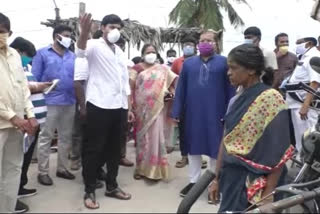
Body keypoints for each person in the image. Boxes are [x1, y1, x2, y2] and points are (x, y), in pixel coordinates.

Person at [208, 44, 294, 212]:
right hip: (231, 178)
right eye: (228, 68)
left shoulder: (271, 99)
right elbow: (226, 141)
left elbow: (279, 152)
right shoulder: (235, 100)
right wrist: (216, 179)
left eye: (234, 68)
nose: (228, 73)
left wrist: (268, 194)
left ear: (251, 70)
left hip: (258, 184)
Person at [77, 13, 134, 209]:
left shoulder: (119, 51)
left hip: (119, 107)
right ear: (102, 28)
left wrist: (128, 107)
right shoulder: (93, 45)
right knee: (94, 149)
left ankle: (112, 185)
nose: (115, 31)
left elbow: (124, 82)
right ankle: (89, 190)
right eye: (111, 27)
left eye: (118, 27)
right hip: (99, 105)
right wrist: (84, 32)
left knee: (114, 149)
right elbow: (80, 51)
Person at [171, 30, 235, 198]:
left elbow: (231, 89)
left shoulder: (224, 63)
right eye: (202, 40)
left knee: (216, 147)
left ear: (216, 43)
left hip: (217, 112)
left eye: (209, 40)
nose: (205, 43)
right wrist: (176, 110)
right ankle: (194, 182)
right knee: (193, 148)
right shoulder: (189, 64)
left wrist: (231, 112)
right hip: (193, 113)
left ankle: (213, 182)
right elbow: (181, 89)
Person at [0, 13, 38, 213]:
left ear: (10, 33)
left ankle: (7, 208)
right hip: (5, 123)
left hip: (17, 125)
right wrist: (12, 117)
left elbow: (23, 88)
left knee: (13, 170)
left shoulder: (15, 55)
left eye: (2, 32)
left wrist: (30, 115)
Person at [32, 24, 76, 185]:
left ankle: (62, 168)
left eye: (70, 36)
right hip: (49, 101)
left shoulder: (73, 56)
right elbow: (34, 79)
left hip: (70, 101)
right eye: (66, 35)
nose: (69, 39)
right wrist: (45, 85)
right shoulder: (42, 53)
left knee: (65, 137)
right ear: (56, 36)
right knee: (46, 137)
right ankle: (43, 172)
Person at [10, 37, 51, 200]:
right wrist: (37, 87)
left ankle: (20, 186)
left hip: (34, 121)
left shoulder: (26, 67)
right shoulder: (10, 67)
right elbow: (18, 90)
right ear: (18, 52)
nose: (29, 59)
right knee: (16, 160)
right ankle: (12, 193)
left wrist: (43, 87)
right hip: (23, 120)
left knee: (25, 158)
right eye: (27, 55)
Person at [130, 44, 177, 181]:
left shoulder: (163, 69)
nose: (151, 54)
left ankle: (156, 169)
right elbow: (131, 88)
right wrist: (131, 106)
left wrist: (171, 95)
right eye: (148, 52)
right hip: (141, 110)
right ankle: (140, 168)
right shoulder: (136, 68)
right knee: (142, 139)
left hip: (157, 108)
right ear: (143, 54)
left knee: (157, 136)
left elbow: (172, 85)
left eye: (153, 52)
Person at [285, 37, 320, 153]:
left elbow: (315, 83)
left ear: (309, 44)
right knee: (300, 142)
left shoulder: (313, 58)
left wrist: (305, 105)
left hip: (305, 107)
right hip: (296, 104)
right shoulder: (305, 57)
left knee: (308, 142)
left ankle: (308, 169)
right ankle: (303, 167)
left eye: (299, 43)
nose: (297, 46)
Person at [171, 36, 198, 169]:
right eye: (186, 45)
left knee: (197, 129)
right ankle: (184, 156)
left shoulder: (201, 61)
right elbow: (172, 80)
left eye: (190, 45)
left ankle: (196, 156)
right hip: (182, 100)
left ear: (195, 47)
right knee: (183, 130)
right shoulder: (177, 62)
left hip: (198, 101)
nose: (188, 47)